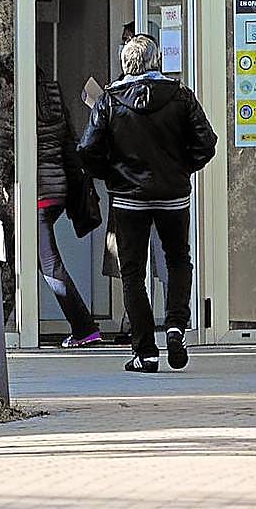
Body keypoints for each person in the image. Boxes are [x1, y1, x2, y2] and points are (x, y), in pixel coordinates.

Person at [77, 35, 217, 373]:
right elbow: (206, 143)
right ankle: (175, 327)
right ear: (156, 63)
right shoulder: (181, 96)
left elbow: (86, 150)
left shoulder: (110, 100)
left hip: (128, 199)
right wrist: (182, 169)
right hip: (173, 196)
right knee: (178, 261)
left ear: (126, 64)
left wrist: (112, 175)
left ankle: (145, 352)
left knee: (132, 273)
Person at [36, 69, 101, 347]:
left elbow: (6, 148)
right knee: (25, 259)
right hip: (57, 189)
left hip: (34, 192)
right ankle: (1, 324)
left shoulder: (13, 101)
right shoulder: (51, 97)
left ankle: (84, 328)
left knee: (49, 262)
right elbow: (69, 141)